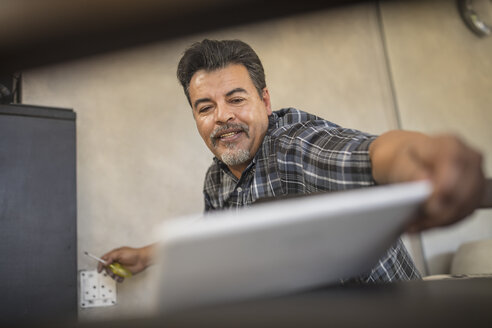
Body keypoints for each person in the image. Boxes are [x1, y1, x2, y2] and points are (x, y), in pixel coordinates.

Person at [98, 39, 485, 283]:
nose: (222, 116)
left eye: (236, 99)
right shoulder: (216, 180)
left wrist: (421, 159)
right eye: (205, 107)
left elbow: (364, 153)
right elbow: (214, 229)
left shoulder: (293, 146)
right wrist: (145, 256)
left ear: (265, 101)